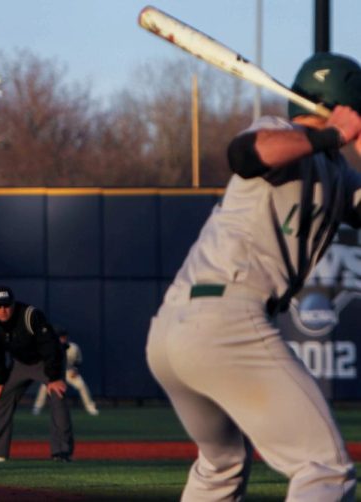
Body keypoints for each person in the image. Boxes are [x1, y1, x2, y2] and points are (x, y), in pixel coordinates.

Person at [146, 52, 361, 501]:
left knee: (221, 465)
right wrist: (336, 132)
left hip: (173, 332)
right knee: (324, 467)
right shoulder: (280, 131)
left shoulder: (339, 172)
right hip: (224, 320)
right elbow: (249, 155)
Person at [0, 286, 74, 462]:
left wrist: (54, 377)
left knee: (57, 395)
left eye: (6, 305)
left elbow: (50, 347)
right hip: (20, 363)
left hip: (46, 361)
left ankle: (61, 452)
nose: (3, 310)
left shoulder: (30, 315)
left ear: (13, 304)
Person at [32, 331, 99, 416]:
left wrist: (75, 369)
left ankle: (90, 407)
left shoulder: (74, 347)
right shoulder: (51, 347)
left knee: (81, 385)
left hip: (69, 371)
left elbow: (78, 361)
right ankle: (37, 407)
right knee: (44, 387)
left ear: (66, 337)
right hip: (55, 372)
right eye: (60, 337)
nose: (62, 339)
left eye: (63, 337)